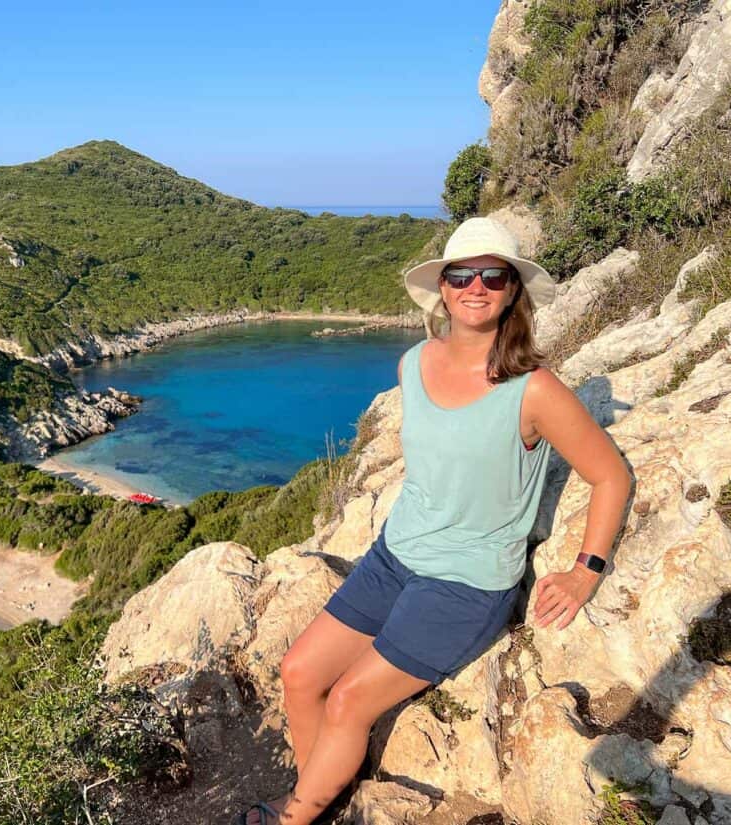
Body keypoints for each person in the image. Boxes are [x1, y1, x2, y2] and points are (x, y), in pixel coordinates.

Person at [236, 217, 633, 825]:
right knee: (298, 673)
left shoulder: (534, 390)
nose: (477, 286)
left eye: (493, 276)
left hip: (466, 582)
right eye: (462, 275)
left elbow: (610, 476)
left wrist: (586, 571)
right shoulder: (413, 363)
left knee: (347, 702)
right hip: (396, 556)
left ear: (512, 292)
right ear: (443, 288)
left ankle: (293, 819)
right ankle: (317, 794)